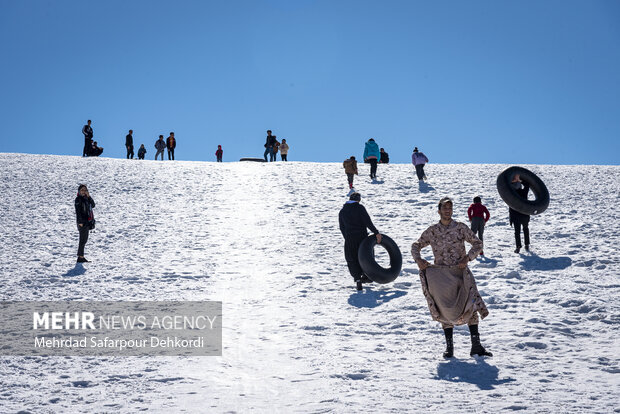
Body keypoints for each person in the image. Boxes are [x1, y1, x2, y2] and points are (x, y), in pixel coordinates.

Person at [411, 197, 492, 358]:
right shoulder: (432, 231)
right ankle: (450, 348)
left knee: (471, 305)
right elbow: (416, 245)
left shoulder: (460, 228)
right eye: (445, 208)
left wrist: (467, 258)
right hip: (441, 277)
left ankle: (476, 345)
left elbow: (477, 243)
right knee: (444, 308)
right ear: (439, 210)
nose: (448, 210)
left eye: (450, 208)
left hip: (460, 273)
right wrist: (418, 260)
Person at [339, 192, 382, 291]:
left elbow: (342, 227)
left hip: (350, 238)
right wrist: (376, 232)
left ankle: (357, 279)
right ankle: (368, 276)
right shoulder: (360, 208)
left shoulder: (343, 211)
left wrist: (347, 237)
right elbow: (368, 222)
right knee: (366, 256)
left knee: (352, 259)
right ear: (358, 200)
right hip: (362, 237)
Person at [509, 174, 531, 253]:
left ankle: (518, 246)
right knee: (525, 229)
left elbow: (507, 185)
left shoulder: (511, 193)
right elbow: (527, 185)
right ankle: (527, 244)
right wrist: (520, 180)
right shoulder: (524, 192)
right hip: (524, 214)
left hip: (515, 216)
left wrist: (514, 180)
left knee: (517, 232)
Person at [75, 184, 95, 263]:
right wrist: (80, 222)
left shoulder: (86, 198)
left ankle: (80, 256)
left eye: (85, 190)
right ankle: (80, 257)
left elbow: (93, 205)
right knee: (82, 240)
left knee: (84, 239)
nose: (83, 191)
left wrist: (89, 197)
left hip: (87, 221)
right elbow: (78, 212)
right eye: (82, 190)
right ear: (79, 191)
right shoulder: (78, 199)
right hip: (82, 222)